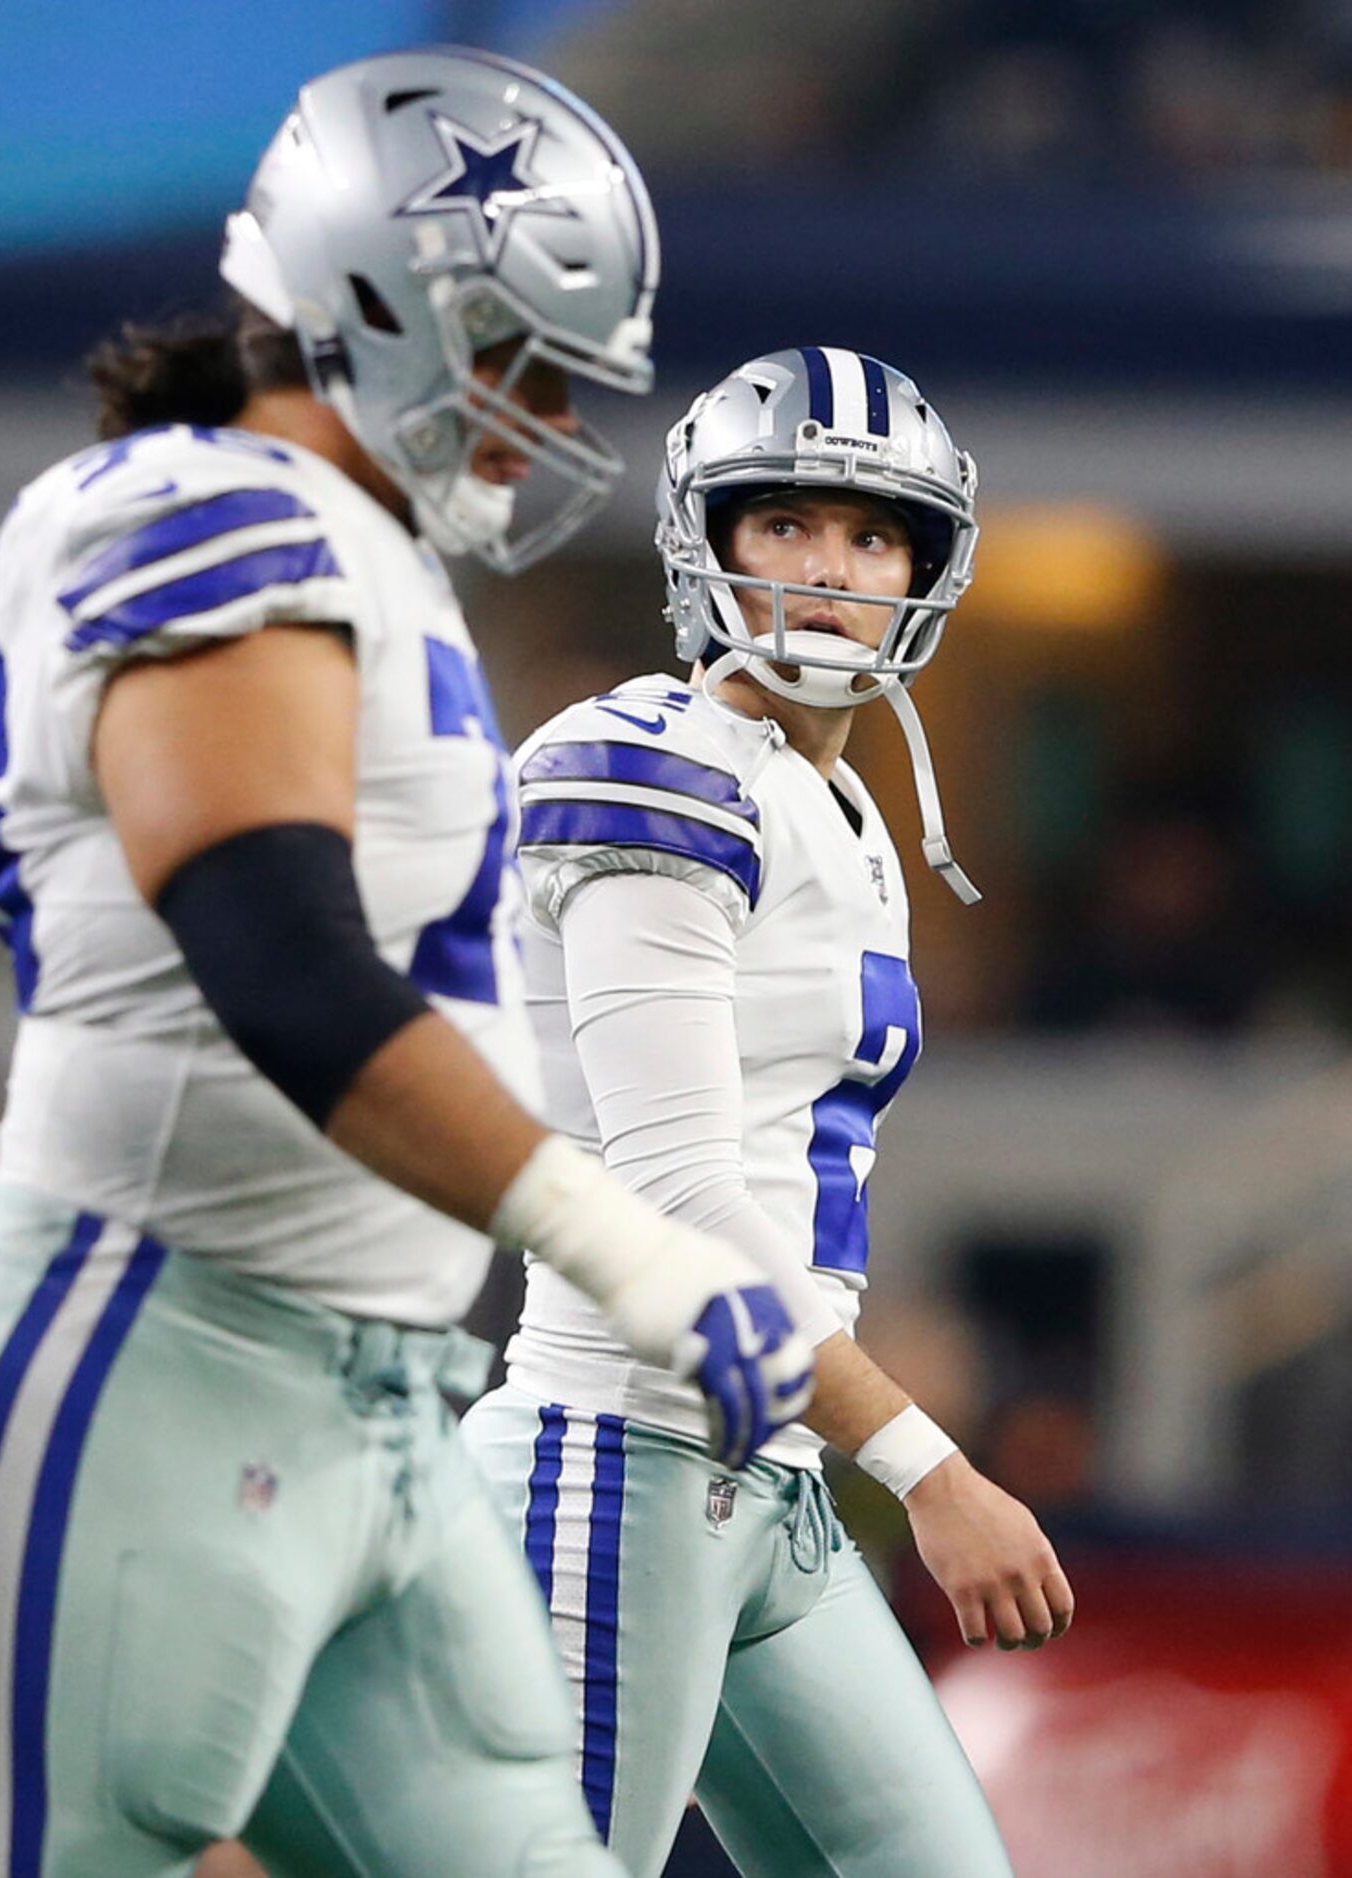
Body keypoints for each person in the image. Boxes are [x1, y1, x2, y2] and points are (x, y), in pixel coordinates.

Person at [0, 53, 816, 1878]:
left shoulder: (360, 557)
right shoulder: (205, 508)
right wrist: (632, 1250)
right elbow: (281, 965)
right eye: (519, 363)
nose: (540, 424)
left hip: (375, 1404)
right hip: (138, 1349)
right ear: (378, 304)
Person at [462, 347, 1075, 1877]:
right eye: (787, 522)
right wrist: (930, 1465)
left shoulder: (846, 806)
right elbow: (677, 1199)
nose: (829, 569)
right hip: (621, 1449)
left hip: (763, 1480)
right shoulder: (651, 765)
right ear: (708, 540)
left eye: (873, 536)